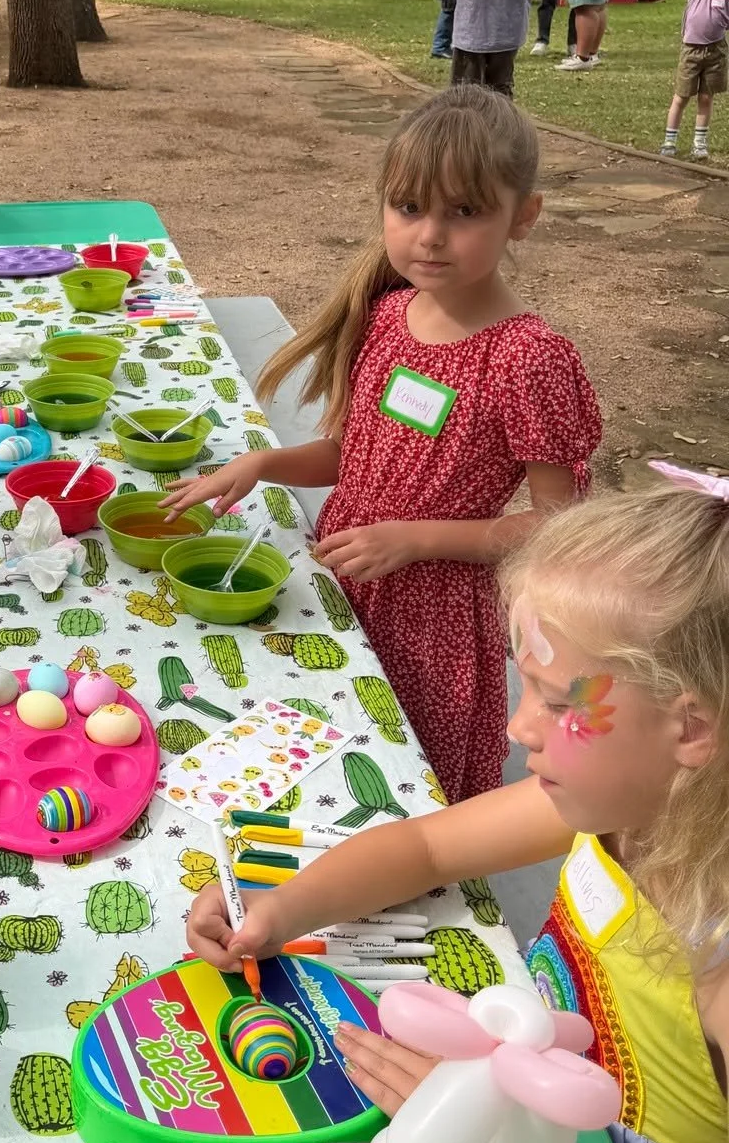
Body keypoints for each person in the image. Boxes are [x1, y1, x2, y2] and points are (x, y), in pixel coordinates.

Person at [187, 478, 729, 1143]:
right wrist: (277, 907)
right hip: (544, 1131)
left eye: (561, 703)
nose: (520, 729)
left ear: (692, 727)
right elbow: (431, 846)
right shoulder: (629, 803)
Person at [160, 86, 600, 803]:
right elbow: (354, 453)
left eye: (464, 211)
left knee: (405, 785)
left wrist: (417, 540)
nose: (429, 235)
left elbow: (560, 528)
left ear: (524, 217)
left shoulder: (528, 358)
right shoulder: (390, 316)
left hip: (435, 623)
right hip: (345, 580)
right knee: (328, 762)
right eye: (409, 207)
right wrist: (264, 464)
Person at [661, 0, 729, 160]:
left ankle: (699, 143)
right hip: (692, 50)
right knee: (681, 97)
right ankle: (670, 140)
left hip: (716, 50)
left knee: (706, 97)